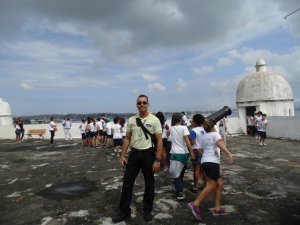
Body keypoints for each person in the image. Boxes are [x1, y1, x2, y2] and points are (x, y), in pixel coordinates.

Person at [113, 94, 163, 223]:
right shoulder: (132, 120)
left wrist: (157, 160)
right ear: (136, 104)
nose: (142, 105)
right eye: (139, 103)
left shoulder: (154, 120)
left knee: (149, 184)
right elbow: (127, 139)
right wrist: (123, 155)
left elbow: (159, 140)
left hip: (149, 154)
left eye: (144, 102)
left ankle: (147, 210)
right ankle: (124, 211)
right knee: (127, 183)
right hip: (134, 154)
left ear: (148, 104)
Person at [188, 119, 233, 221]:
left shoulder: (204, 137)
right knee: (212, 184)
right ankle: (195, 204)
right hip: (212, 162)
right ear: (213, 126)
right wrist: (229, 154)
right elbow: (220, 144)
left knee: (219, 183)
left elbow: (200, 150)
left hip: (205, 162)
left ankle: (217, 207)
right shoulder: (215, 134)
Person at [169, 113, 195, 200]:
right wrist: (191, 152)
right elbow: (187, 141)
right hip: (184, 153)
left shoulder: (171, 129)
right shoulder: (184, 128)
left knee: (176, 175)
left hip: (176, 154)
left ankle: (180, 192)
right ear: (181, 120)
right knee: (181, 174)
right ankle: (178, 188)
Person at [189, 114, 206, 193]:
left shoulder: (193, 131)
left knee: (196, 169)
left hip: (196, 150)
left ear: (195, 122)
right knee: (203, 170)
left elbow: (192, 141)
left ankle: (195, 187)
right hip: (204, 150)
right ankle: (205, 185)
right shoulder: (205, 129)